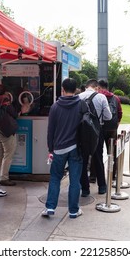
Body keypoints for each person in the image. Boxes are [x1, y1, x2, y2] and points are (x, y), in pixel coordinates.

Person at [42, 78, 84, 218]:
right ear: (76, 89)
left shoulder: (55, 106)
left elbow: (50, 130)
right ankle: (73, 210)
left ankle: (50, 208)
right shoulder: (81, 105)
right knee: (74, 180)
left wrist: (50, 149)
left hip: (59, 148)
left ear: (62, 89)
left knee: (55, 178)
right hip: (76, 148)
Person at [78, 79, 112, 197]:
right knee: (98, 158)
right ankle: (102, 186)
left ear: (87, 86)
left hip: (81, 132)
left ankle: (85, 189)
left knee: (83, 159)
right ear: (96, 87)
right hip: (97, 131)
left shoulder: (78, 97)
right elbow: (108, 116)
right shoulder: (101, 97)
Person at [97, 79, 123, 180]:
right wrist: (116, 126)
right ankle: (113, 175)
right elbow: (120, 113)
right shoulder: (115, 98)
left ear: (99, 87)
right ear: (107, 86)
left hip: (99, 128)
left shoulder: (97, 97)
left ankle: (94, 176)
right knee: (112, 152)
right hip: (112, 128)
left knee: (97, 152)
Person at [0, 84, 19, 186]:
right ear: (5, 92)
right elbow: (13, 113)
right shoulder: (5, 99)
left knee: (1, 154)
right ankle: (4, 178)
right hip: (7, 131)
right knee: (8, 154)